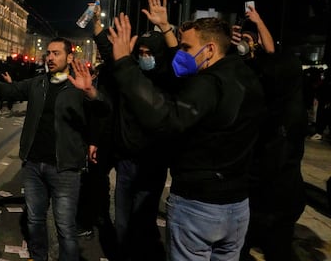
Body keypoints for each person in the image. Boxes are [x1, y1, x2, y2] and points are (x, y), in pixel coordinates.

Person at [109, 13, 265, 261]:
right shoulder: (246, 77)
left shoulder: (209, 84)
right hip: (237, 206)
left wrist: (124, 65)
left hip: (199, 206)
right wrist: (164, 27)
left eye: (186, 47)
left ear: (210, 49)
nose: (181, 54)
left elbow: (166, 118)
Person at [0, 37, 108, 261]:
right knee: (35, 220)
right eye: (48, 53)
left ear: (70, 57)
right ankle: (39, 257)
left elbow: (103, 112)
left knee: (66, 227)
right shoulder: (37, 83)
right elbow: (10, 93)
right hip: (33, 165)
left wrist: (90, 93)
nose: (50, 58)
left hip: (65, 167)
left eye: (56, 53)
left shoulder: (78, 85)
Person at [85, 0, 179, 261]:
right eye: (142, 53)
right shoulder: (129, 74)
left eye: (151, 53)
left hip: (153, 163)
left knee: (144, 222)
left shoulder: (167, 80)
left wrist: (165, 27)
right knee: (124, 222)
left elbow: (179, 63)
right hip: (126, 162)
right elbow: (108, 48)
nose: (145, 57)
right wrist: (97, 23)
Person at [233, 14, 308, 261]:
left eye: (250, 38)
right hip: (253, 181)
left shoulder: (285, 65)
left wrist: (259, 27)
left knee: (277, 247)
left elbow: (272, 61)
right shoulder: (250, 69)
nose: (246, 43)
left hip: (279, 185)